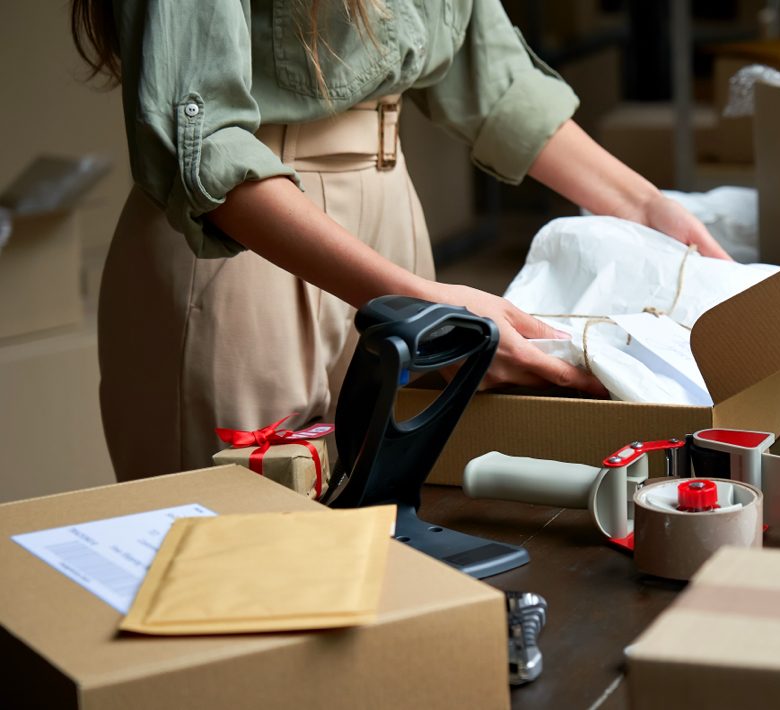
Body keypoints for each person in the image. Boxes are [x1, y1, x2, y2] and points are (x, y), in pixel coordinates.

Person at [71, 0, 731, 482]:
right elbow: (205, 142)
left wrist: (646, 207)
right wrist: (421, 305)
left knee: (388, 540)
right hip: (245, 240)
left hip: (389, 218)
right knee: (243, 562)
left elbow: (489, 75)